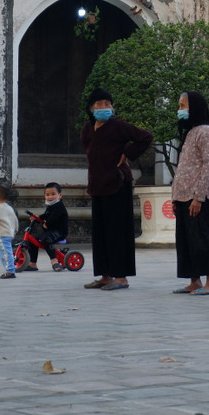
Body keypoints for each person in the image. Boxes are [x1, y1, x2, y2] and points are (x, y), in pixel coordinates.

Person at [81, 87, 152, 291]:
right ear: (91, 108)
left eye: (107, 104)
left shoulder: (118, 126)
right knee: (101, 233)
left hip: (118, 184)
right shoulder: (87, 128)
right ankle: (105, 275)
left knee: (118, 232)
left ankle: (121, 277)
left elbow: (145, 137)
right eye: (99, 104)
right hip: (97, 185)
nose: (104, 107)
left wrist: (127, 153)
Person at [172, 91, 209, 295]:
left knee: (200, 240)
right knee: (186, 241)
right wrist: (175, 197)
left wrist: (198, 197)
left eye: (183, 106)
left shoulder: (206, 131)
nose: (180, 110)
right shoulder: (190, 132)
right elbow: (184, 166)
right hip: (183, 196)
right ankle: (194, 280)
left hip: (198, 197)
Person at [21, 182, 68, 272]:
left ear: (60, 195)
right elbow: (46, 215)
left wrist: (47, 224)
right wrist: (36, 218)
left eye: (53, 194)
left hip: (59, 232)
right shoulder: (51, 206)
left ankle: (54, 261)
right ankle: (32, 263)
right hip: (50, 231)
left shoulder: (59, 206)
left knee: (46, 238)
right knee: (32, 239)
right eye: (47, 195)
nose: (50, 197)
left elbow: (54, 217)